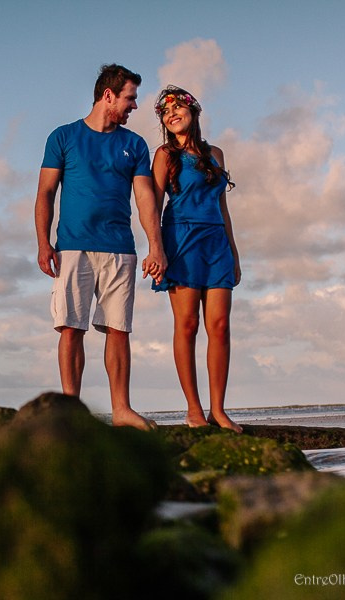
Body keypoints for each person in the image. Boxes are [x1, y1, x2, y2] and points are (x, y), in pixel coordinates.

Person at [35, 64, 167, 430]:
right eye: (130, 98)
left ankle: (121, 410)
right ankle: (71, 412)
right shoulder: (63, 137)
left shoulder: (134, 145)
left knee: (118, 329)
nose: (134, 106)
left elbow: (145, 200)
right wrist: (43, 242)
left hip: (119, 248)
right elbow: (45, 192)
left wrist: (155, 247)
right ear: (108, 95)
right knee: (70, 327)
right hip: (73, 246)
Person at [150, 85, 242, 432]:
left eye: (177, 107)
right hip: (181, 239)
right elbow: (153, 205)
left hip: (215, 241)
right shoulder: (164, 155)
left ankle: (218, 410)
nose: (171, 114)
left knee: (219, 326)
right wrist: (156, 247)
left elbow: (222, 204)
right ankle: (193, 409)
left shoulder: (215, 152)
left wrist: (233, 251)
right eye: (165, 111)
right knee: (187, 325)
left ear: (193, 112)